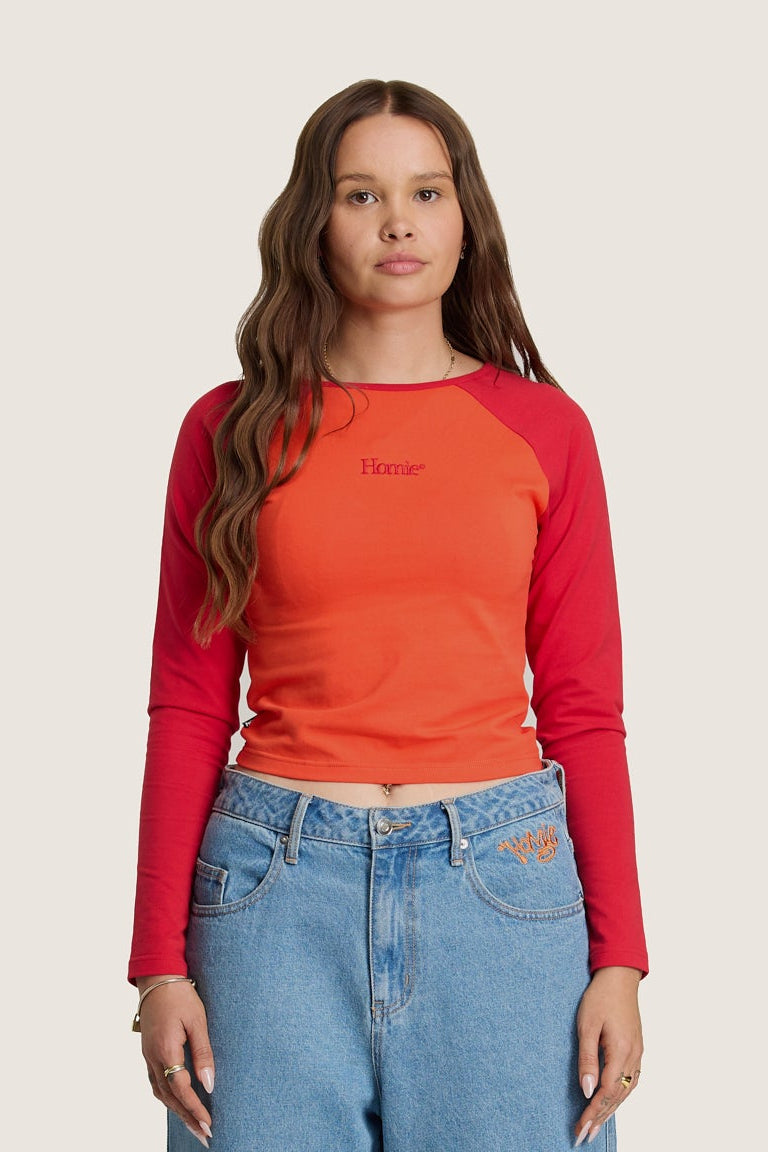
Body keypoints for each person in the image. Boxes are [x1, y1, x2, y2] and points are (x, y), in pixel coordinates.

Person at [129, 78, 647, 1152]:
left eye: (427, 192)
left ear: (466, 219)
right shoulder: (230, 430)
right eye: (361, 194)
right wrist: (157, 966)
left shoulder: (545, 430)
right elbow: (187, 704)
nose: (398, 222)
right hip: (271, 897)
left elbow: (584, 708)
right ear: (313, 220)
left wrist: (621, 960)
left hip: (503, 896)